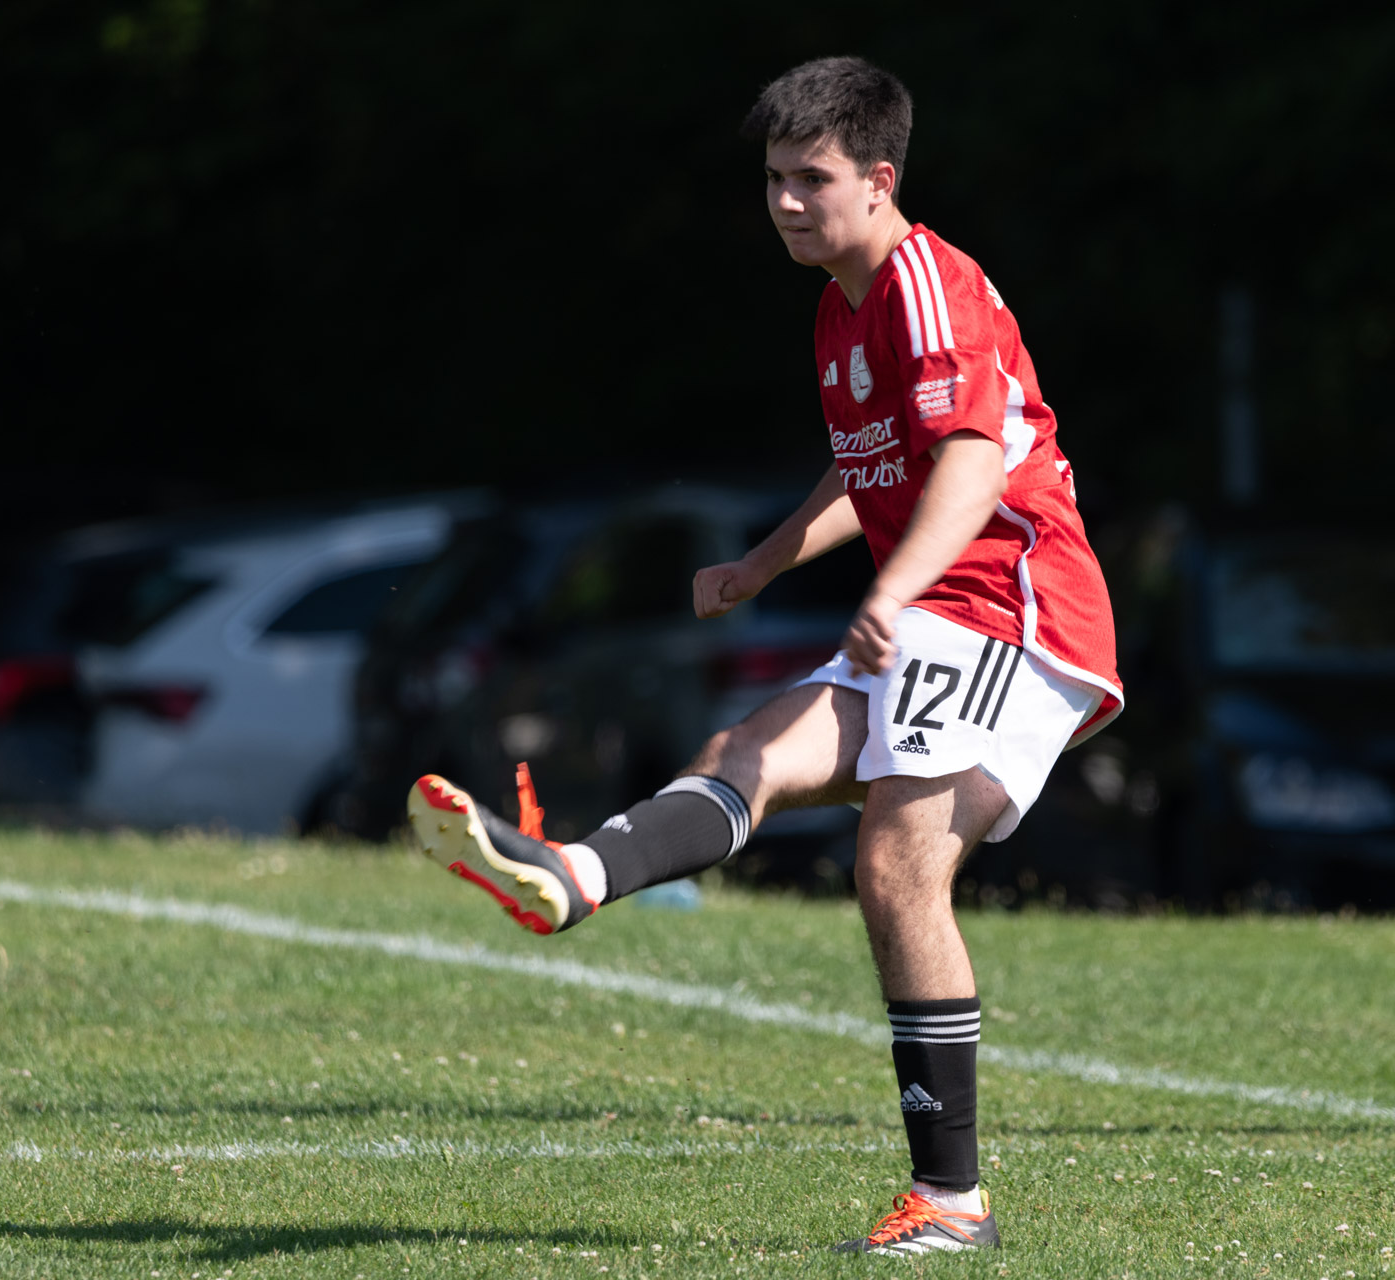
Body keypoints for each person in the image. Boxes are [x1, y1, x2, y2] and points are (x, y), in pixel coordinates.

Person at [407, 55, 1121, 1256]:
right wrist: (765, 563)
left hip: (1013, 607)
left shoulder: (924, 283)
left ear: (879, 178)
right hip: (942, 608)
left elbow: (970, 465)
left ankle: (952, 1204)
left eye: (812, 179)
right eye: (776, 178)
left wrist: (892, 587)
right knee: (746, 754)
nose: (787, 201)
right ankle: (573, 875)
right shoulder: (841, 307)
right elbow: (868, 465)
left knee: (897, 861)